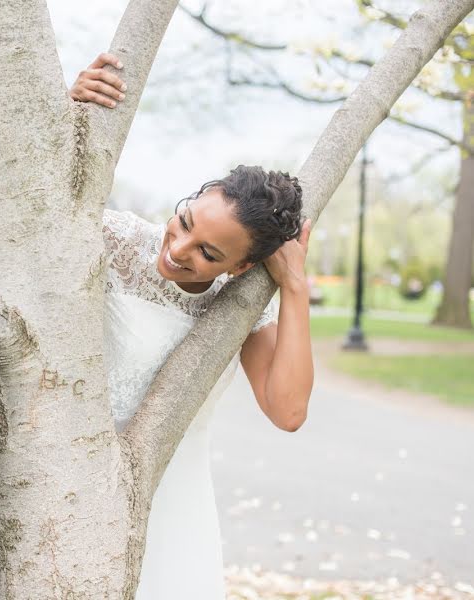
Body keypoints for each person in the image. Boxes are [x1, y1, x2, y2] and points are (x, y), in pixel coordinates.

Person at [71, 54, 314, 598]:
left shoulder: (245, 304)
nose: (177, 249)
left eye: (206, 252)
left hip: (178, 506)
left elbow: (288, 410)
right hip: (74, 490)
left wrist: (294, 289)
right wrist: (73, 111)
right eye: (182, 222)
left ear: (242, 267)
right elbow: (34, 209)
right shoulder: (113, 240)